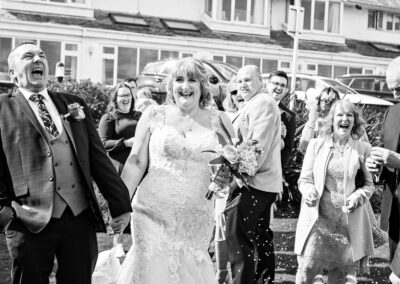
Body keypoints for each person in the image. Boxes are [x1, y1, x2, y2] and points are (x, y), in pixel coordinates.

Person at [0, 41, 132, 284]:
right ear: (13, 74)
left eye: (41, 55)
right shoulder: (2, 108)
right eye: (28, 56)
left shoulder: (73, 103)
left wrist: (120, 204)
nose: (38, 59)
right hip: (27, 219)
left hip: (78, 217)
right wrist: (6, 214)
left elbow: (98, 158)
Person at [116, 57, 235, 284]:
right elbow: (136, 162)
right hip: (150, 213)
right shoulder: (154, 114)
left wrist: (225, 176)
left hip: (195, 218)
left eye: (192, 80)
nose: (184, 86)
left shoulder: (219, 120)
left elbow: (230, 162)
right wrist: (119, 203)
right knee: (151, 270)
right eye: (179, 79)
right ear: (171, 85)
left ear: (202, 86)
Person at [295, 100, 375, 284]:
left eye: (349, 115)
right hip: (317, 219)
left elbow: (369, 185)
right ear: (332, 120)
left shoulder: (363, 149)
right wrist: (307, 192)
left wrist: (357, 197)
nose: (344, 119)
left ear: (354, 121)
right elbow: (305, 179)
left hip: (345, 223)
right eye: (340, 115)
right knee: (307, 271)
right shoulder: (316, 145)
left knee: (339, 276)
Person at [224, 65, 282, 284]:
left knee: (238, 240)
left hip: (253, 183)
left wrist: (237, 180)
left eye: (248, 80)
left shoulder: (263, 103)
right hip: (256, 183)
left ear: (261, 80)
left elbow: (256, 146)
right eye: (239, 81)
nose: (242, 85)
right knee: (255, 239)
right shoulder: (252, 103)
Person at [366, 56, 400, 284]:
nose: (395, 96)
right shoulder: (392, 113)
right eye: (392, 90)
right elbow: (386, 153)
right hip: (395, 208)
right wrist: (375, 167)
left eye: (399, 88)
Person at [99, 82, 141, 173]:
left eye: (128, 95)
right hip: (119, 167)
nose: (126, 98)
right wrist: (126, 143)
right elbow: (103, 143)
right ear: (116, 98)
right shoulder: (109, 117)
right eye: (122, 95)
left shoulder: (139, 116)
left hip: (139, 166)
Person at [266, 70, 296, 168]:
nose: (279, 88)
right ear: (267, 84)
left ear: (286, 90)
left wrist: (278, 170)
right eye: (276, 83)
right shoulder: (255, 106)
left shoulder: (289, 116)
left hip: (271, 168)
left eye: (283, 85)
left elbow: (287, 148)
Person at [299, 87, 341, 153]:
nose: (328, 103)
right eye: (324, 100)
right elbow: (304, 148)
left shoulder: (344, 123)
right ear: (319, 103)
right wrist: (312, 121)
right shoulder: (313, 123)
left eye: (332, 100)